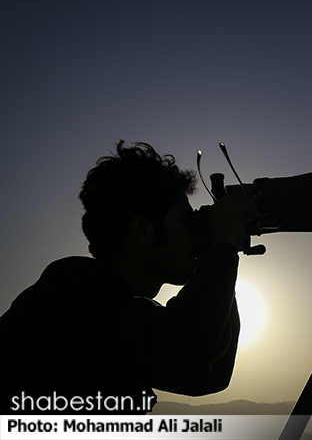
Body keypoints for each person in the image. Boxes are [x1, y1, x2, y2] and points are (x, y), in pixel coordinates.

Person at [0, 141, 258, 414]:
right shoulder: (70, 291)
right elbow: (186, 352)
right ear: (142, 231)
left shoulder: (120, 313)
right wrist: (223, 247)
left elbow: (210, 375)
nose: (194, 233)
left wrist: (216, 256)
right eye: (185, 221)